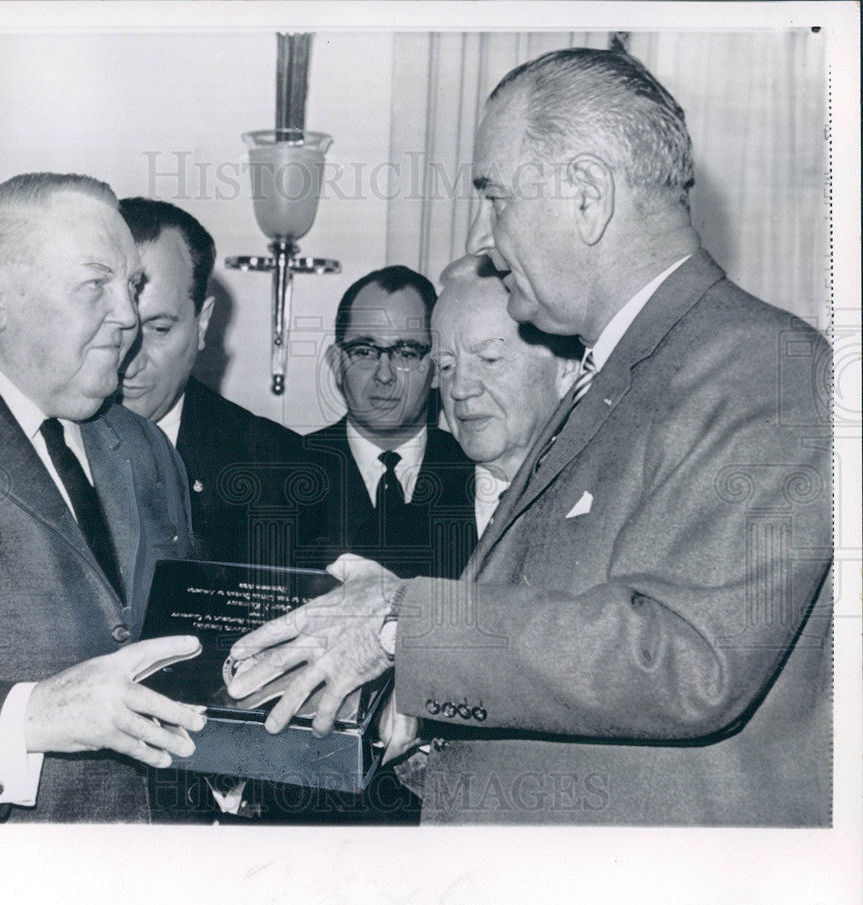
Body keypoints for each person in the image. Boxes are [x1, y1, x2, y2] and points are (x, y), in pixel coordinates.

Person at [225, 47, 833, 826]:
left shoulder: (766, 370)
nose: (486, 235)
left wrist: (401, 624)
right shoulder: (621, 369)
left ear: (587, 194)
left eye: (497, 197)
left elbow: (685, 658)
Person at [0, 173, 208, 823]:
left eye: (131, 286)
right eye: (95, 285)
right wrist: (32, 717)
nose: (130, 316)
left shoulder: (145, 449)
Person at [118, 197, 305, 568]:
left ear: (201, 324)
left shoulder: (276, 467)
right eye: (118, 327)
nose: (130, 361)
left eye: (158, 329)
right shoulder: (45, 440)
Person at [301, 266, 476, 580]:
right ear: (336, 363)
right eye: (365, 351)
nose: (384, 375)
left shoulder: (476, 475)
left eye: (406, 353)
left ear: (437, 368)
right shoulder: (287, 468)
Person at [433, 255, 579, 536]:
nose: (459, 388)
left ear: (566, 369)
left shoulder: (612, 505)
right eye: (446, 366)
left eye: (489, 360)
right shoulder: (394, 531)